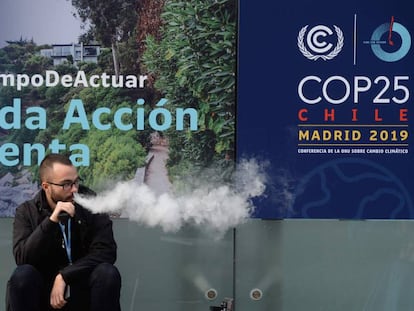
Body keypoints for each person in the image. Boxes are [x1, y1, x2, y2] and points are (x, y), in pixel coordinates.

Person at [6, 154, 121, 311]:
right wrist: (51, 222)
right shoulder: (26, 212)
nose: (74, 189)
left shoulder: (91, 204)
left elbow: (106, 252)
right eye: (66, 184)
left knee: (107, 273)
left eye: (76, 182)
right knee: (22, 275)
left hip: (82, 295)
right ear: (46, 186)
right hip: (44, 298)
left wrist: (64, 275)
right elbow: (23, 258)